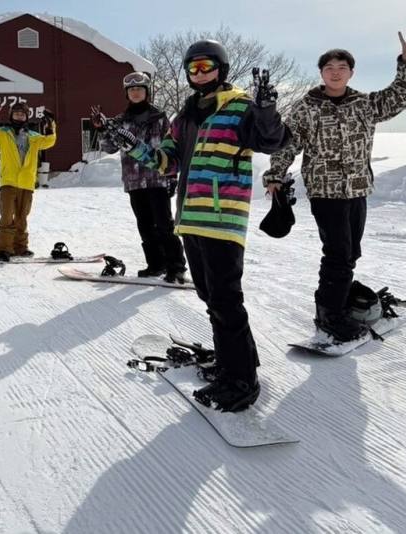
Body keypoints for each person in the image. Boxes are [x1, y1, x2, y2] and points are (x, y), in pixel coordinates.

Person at [107, 39, 289, 412]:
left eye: (206, 66)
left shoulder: (241, 107)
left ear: (221, 68)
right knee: (210, 297)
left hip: (222, 218)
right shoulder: (185, 116)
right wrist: (132, 144)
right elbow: (165, 163)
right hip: (190, 216)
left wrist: (267, 110)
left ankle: (240, 381)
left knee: (225, 298)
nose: (200, 73)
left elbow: (271, 140)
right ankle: (238, 362)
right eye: (193, 69)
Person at [263, 30, 406, 342]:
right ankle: (329, 314)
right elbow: (289, 143)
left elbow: (400, 95)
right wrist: (275, 175)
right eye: (329, 68)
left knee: (350, 251)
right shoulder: (307, 106)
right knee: (338, 253)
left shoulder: (365, 104)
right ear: (321, 73)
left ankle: (336, 300)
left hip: (357, 189)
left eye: (341, 68)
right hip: (325, 191)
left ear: (351, 72)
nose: (335, 72)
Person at [92, 71, 187, 283]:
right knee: (144, 225)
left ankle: (176, 266)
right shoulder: (119, 121)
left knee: (164, 225)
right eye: (131, 90)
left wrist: (172, 177)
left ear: (147, 92)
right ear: (127, 94)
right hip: (134, 181)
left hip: (157, 178)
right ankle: (155, 265)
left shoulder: (160, 118)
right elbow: (108, 148)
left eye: (139, 89)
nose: (135, 93)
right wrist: (101, 130)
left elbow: (171, 148)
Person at [0, 102, 57, 261]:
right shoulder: (2, 133)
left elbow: (49, 141)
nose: (19, 116)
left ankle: (20, 248)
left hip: (26, 182)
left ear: (27, 117)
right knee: (7, 216)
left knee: (22, 217)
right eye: (16, 114)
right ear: (11, 116)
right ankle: (4, 250)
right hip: (8, 181)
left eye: (22, 114)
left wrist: (51, 124)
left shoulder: (34, 137)